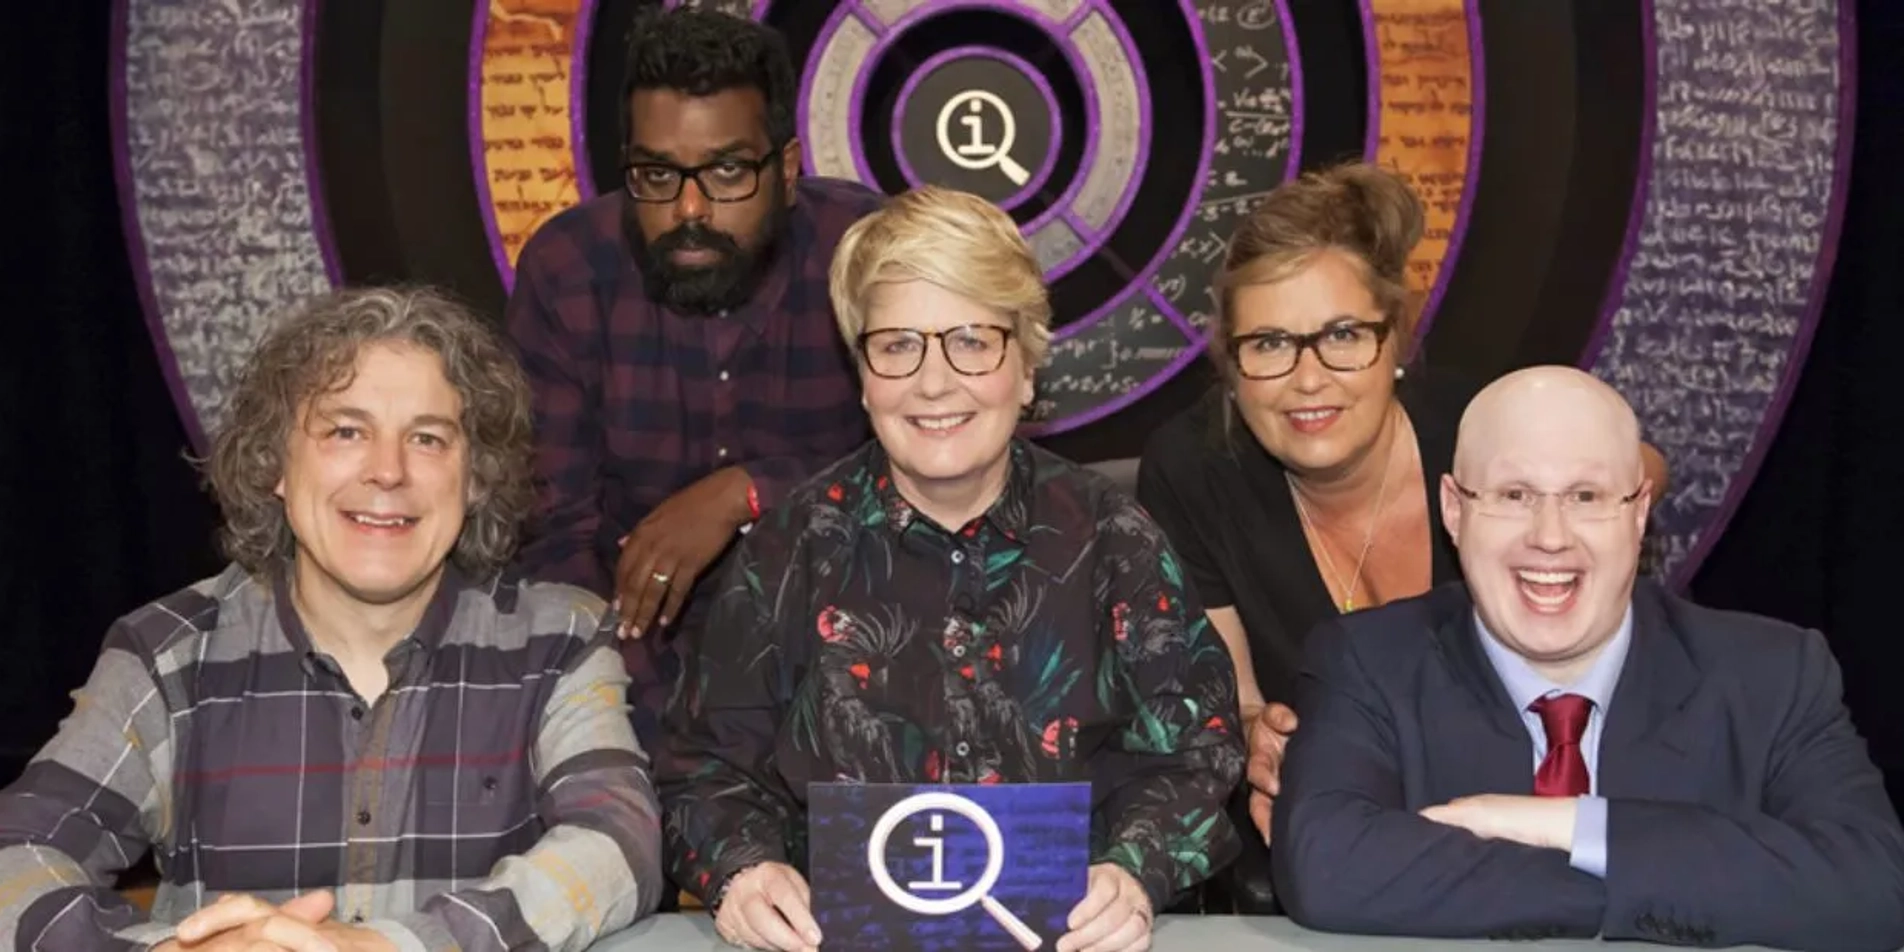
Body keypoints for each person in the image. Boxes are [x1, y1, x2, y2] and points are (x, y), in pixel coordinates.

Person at [657, 187, 1245, 952]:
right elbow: (701, 763)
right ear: (862, 374)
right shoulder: (788, 549)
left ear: (1027, 367)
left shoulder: (1115, 540)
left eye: (972, 340)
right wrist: (745, 872)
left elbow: (1198, 752)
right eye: (898, 344)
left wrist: (1134, 873)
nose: (933, 382)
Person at [0, 288, 661, 952]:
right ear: (275, 461)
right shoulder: (167, 655)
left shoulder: (560, 640)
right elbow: (7, 853)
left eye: (427, 439)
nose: (387, 472)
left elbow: (618, 842)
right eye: (346, 430)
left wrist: (393, 948)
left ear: (476, 477)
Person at [1134, 163, 1669, 903]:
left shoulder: (1479, 428)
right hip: (1333, 848)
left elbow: (1636, 467)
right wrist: (1258, 735)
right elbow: (1236, 699)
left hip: (1527, 825)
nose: (1308, 378)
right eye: (1268, 344)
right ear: (1230, 363)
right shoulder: (1193, 469)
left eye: (1344, 335)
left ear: (1397, 341)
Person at [1271, 366, 1904, 949]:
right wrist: (1632, 881)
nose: (1550, 537)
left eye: (1586, 497)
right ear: (1455, 511)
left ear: (1639, 516)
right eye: (1515, 495)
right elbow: (1325, 865)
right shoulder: (1365, 662)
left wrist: (1572, 826)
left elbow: (1878, 884)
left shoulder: (1772, 674)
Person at [507, 7, 882, 746]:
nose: (688, 209)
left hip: (857, 672)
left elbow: (942, 476)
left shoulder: (865, 254)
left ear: (788, 170)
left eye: (727, 172)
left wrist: (751, 491)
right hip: (631, 689)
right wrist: (663, 728)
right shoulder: (567, 270)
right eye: (656, 173)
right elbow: (550, 541)